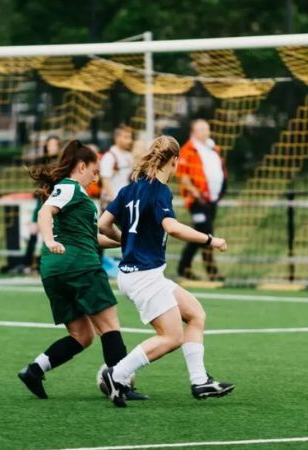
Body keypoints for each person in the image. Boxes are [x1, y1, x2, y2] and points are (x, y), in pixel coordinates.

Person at [98, 135, 234, 408]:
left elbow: (103, 224)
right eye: (176, 164)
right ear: (173, 161)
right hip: (143, 276)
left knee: (195, 314)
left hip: (140, 273)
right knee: (171, 337)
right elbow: (172, 227)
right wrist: (210, 239)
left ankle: (199, 381)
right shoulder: (159, 190)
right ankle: (118, 374)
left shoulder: (129, 189)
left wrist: (124, 240)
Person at [17, 140, 148, 401]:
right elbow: (45, 214)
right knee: (110, 325)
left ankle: (34, 370)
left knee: (82, 335)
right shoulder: (69, 188)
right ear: (81, 166)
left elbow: (91, 237)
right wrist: (49, 240)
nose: (96, 176)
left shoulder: (74, 195)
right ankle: (120, 384)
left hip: (54, 271)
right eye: (94, 170)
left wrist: (128, 242)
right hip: (79, 266)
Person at [176, 119, 227, 282]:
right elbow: (183, 177)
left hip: (211, 200)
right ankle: (207, 270)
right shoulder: (187, 151)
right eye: (201, 129)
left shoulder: (213, 149)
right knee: (204, 232)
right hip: (197, 200)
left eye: (206, 129)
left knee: (203, 234)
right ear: (193, 132)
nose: (205, 132)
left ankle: (187, 268)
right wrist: (196, 193)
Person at [22, 136, 61, 272]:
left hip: (56, 202)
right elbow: (39, 188)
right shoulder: (42, 163)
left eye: (55, 144)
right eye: (50, 145)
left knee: (53, 233)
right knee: (34, 231)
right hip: (43, 201)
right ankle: (27, 263)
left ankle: (49, 263)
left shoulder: (62, 164)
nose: (52, 147)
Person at [99, 124, 134, 209]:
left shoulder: (129, 156)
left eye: (130, 137)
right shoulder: (109, 156)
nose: (129, 141)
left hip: (125, 202)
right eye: (126, 137)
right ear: (117, 138)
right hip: (111, 202)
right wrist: (114, 201)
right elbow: (105, 181)